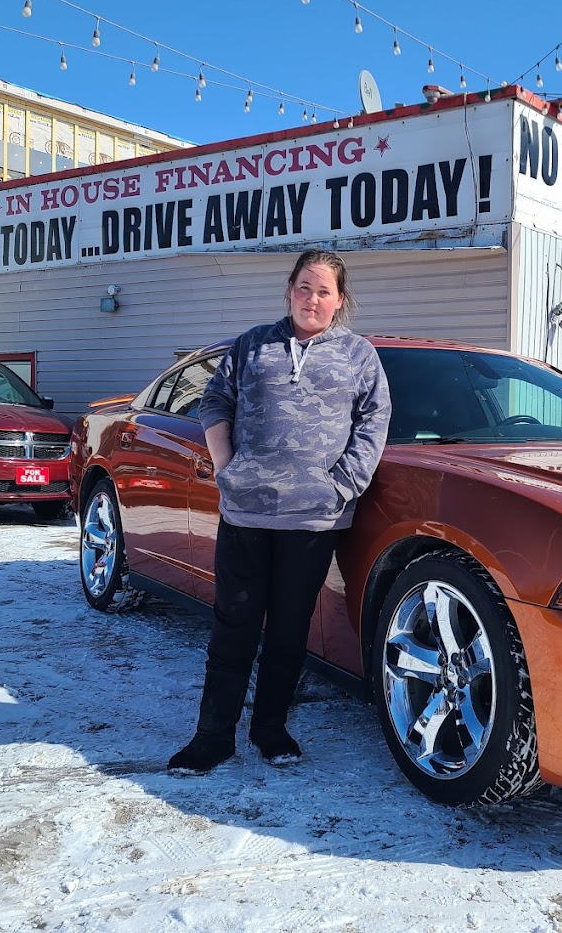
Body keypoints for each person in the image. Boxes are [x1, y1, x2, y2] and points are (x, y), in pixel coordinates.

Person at [168, 251, 391, 774]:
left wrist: (343, 485)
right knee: (234, 626)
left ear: (339, 300)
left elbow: (374, 419)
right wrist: (227, 466)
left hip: (313, 520)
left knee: (290, 630)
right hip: (247, 512)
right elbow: (214, 401)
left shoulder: (358, 355)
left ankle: (270, 729)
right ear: (290, 289)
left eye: (324, 291)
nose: (312, 299)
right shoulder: (252, 345)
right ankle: (212, 737)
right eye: (304, 287)